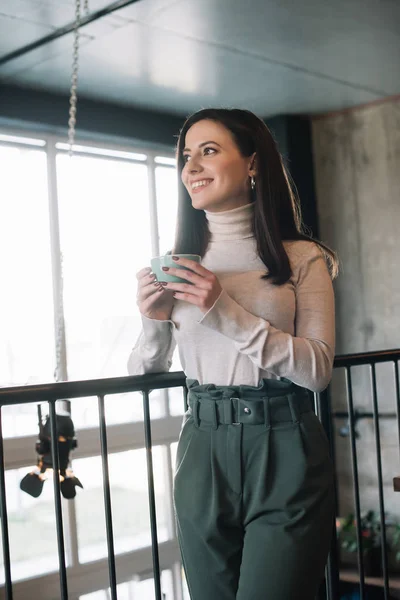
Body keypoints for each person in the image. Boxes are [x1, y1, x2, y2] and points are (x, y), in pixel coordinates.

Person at [128, 108, 338, 600]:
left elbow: (318, 371)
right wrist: (152, 317)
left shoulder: (303, 257)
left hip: (285, 444)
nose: (191, 168)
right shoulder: (180, 264)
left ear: (252, 164)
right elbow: (144, 370)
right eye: (186, 156)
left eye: (208, 151)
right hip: (201, 447)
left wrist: (222, 310)